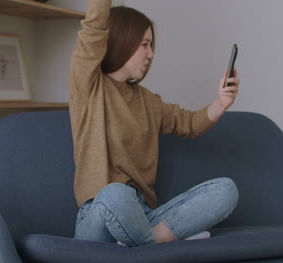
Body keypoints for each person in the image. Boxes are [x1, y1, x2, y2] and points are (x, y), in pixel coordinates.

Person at [69, 0, 241, 247]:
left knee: (226, 190)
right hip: (99, 213)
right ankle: (160, 242)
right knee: (115, 193)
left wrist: (222, 103)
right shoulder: (89, 87)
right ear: (121, 41)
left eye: (151, 46)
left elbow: (190, 123)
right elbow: (92, 32)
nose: (151, 54)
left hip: (142, 216)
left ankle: (146, 242)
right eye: (144, 45)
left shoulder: (149, 102)